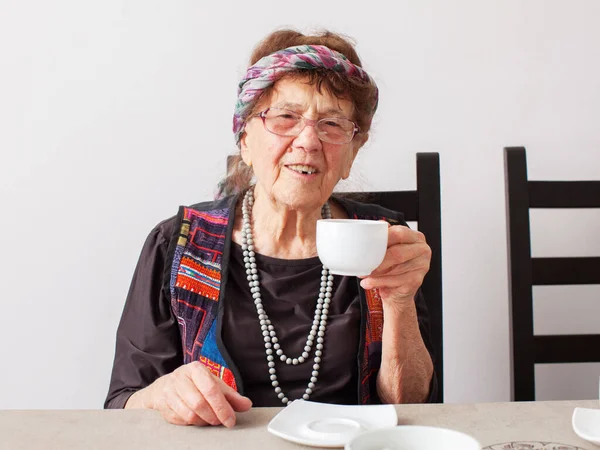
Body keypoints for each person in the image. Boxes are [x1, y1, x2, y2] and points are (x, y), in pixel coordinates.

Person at [105, 29, 437, 427]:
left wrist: (398, 301)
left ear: (352, 152)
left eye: (332, 124)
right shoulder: (177, 244)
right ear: (245, 139)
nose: (308, 141)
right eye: (285, 117)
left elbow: (412, 405)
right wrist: (164, 393)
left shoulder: (386, 241)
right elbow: (123, 403)